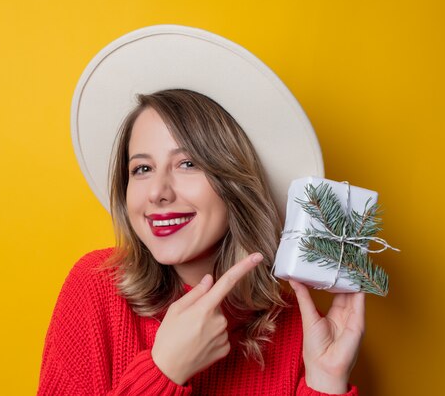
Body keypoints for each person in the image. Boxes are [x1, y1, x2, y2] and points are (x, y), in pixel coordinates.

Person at [38, 27, 364, 395]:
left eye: (188, 164)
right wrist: (165, 371)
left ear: (235, 183)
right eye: (142, 169)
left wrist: (325, 380)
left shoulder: (295, 328)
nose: (158, 192)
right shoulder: (96, 289)